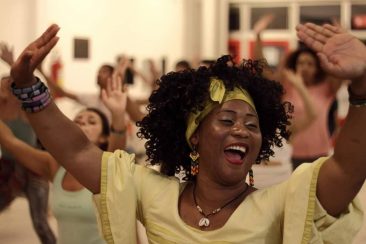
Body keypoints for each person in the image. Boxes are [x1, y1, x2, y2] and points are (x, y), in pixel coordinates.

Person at [9, 23, 366, 243]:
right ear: (194, 136)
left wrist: (364, 83)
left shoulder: (278, 205)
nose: (242, 129)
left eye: (252, 125)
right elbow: (77, 153)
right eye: (226, 121)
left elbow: (348, 168)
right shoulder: (155, 195)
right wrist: (26, 86)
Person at [0, 74, 127, 244]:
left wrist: (118, 115)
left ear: (104, 137)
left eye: (91, 122)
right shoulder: (55, 166)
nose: (83, 125)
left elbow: (117, 145)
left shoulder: (108, 167)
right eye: (78, 121)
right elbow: (11, 142)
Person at [253, 15, 344, 170]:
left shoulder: (326, 88)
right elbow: (264, 70)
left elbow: (340, 68)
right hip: (295, 153)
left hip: (321, 152)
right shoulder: (289, 85)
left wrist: (340, 39)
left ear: (317, 68)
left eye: (310, 64)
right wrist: (258, 36)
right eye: (301, 63)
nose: (305, 67)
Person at [0, 75, 56, 244]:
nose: (4, 88)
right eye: (2, 85)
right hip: (8, 168)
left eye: (8, 85)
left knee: (40, 222)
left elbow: (43, 95)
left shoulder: (24, 109)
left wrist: (18, 70)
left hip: (32, 167)